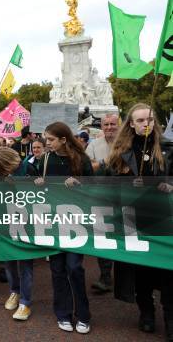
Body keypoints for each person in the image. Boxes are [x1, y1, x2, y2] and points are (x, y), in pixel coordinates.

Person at [105, 104, 173, 338]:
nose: (146, 124)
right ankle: (146, 313)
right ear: (131, 124)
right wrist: (126, 185)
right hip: (134, 220)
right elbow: (109, 189)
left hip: (164, 219)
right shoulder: (121, 153)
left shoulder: (168, 149)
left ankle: (170, 317)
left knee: (168, 270)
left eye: (150, 120)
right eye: (141, 120)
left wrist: (170, 187)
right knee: (141, 270)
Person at [35, 121, 93, 334]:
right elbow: (32, 180)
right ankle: (63, 313)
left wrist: (79, 184)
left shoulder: (81, 159)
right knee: (57, 269)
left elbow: (94, 188)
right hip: (52, 220)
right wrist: (38, 181)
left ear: (63, 139)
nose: (46, 143)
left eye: (50, 140)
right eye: (46, 139)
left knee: (75, 268)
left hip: (75, 221)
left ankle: (83, 315)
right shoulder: (45, 158)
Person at [0, 147, 34, 321]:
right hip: (6, 220)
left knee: (25, 263)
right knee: (9, 260)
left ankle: (26, 301)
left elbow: (39, 192)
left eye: (5, 169)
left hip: (26, 221)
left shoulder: (28, 168)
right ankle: (14, 291)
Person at [85, 113, 120, 293]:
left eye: (112, 124)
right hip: (100, 197)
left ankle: (124, 278)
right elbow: (87, 167)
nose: (109, 127)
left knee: (123, 237)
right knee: (102, 236)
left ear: (118, 124)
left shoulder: (126, 143)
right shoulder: (94, 145)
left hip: (123, 198)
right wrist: (104, 162)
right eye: (106, 124)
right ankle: (105, 276)